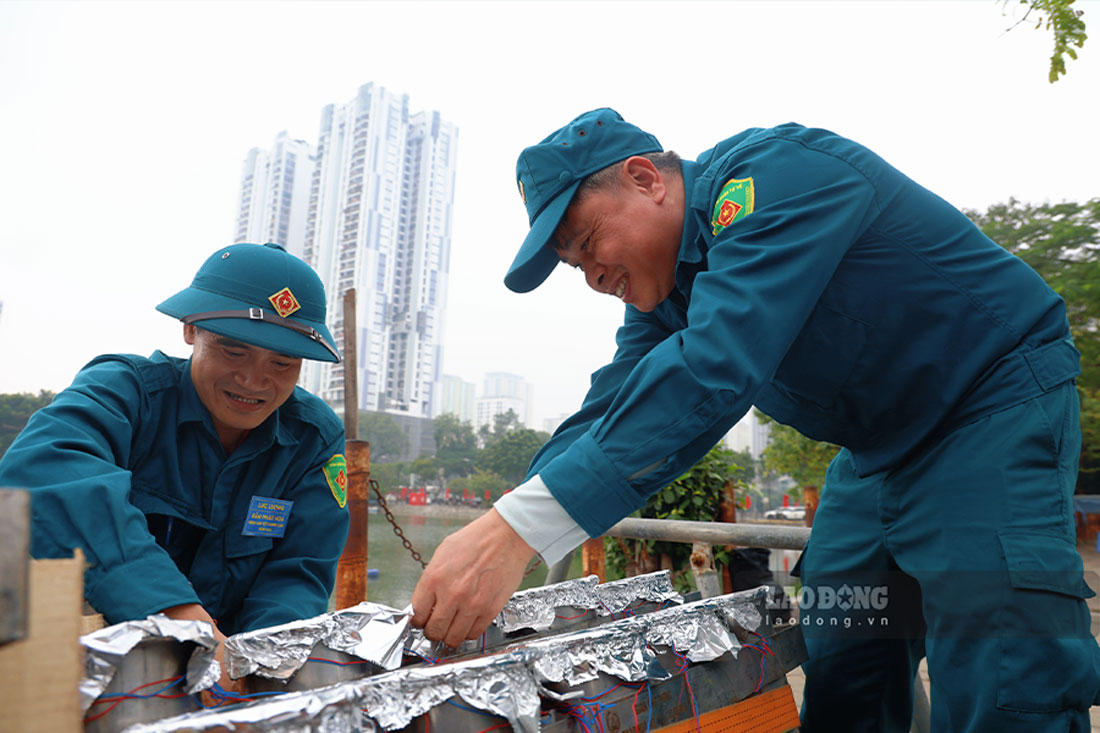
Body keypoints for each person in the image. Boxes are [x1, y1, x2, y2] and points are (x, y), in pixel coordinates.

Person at [411, 108, 1100, 730]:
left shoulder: (772, 180)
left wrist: (518, 531)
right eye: (575, 267)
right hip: (876, 453)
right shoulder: (665, 301)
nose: (591, 274)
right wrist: (499, 522)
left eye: (588, 241)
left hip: (986, 408)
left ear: (646, 178)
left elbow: (713, 367)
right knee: (849, 647)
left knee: (1001, 666)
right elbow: (611, 406)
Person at [0, 243, 350, 652]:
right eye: (233, 350)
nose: (253, 382)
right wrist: (177, 614)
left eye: (282, 364)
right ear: (190, 329)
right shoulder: (125, 393)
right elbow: (43, 472)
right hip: (89, 659)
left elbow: (298, 573)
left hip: (228, 673)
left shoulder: (313, 440)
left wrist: (261, 662)